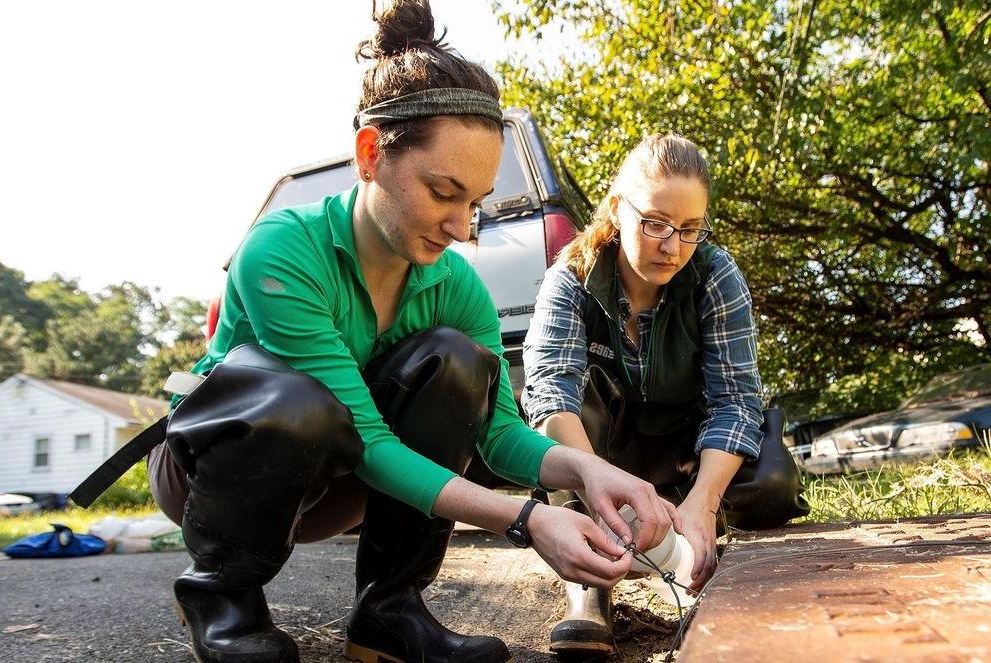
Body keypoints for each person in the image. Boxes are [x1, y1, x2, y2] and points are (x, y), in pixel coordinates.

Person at [133, 3, 682, 662]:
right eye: (443, 191)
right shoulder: (282, 251)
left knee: (458, 361)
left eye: (474, 203)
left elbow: (499, 433)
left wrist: (589, 471)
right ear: (372, 154)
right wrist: (527, 519)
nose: (460, 226)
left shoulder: (454, 286)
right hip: (215, 473)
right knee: (302, 401)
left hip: (340, 482)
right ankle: (222, 598)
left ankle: (388, 611)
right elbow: (362, 436)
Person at [521, 133, 810, 655]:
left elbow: (735, 400)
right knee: (571, 400)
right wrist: (602, 492)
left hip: (685, 450)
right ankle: (591, 580)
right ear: (616, 209)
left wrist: (703, 501)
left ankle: (701, 536)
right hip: (603, 455)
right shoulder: (570, 279)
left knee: (772, 481)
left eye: (690, 229)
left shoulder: (715, 275)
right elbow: (550, 396)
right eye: (655, 223)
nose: (672, 246)